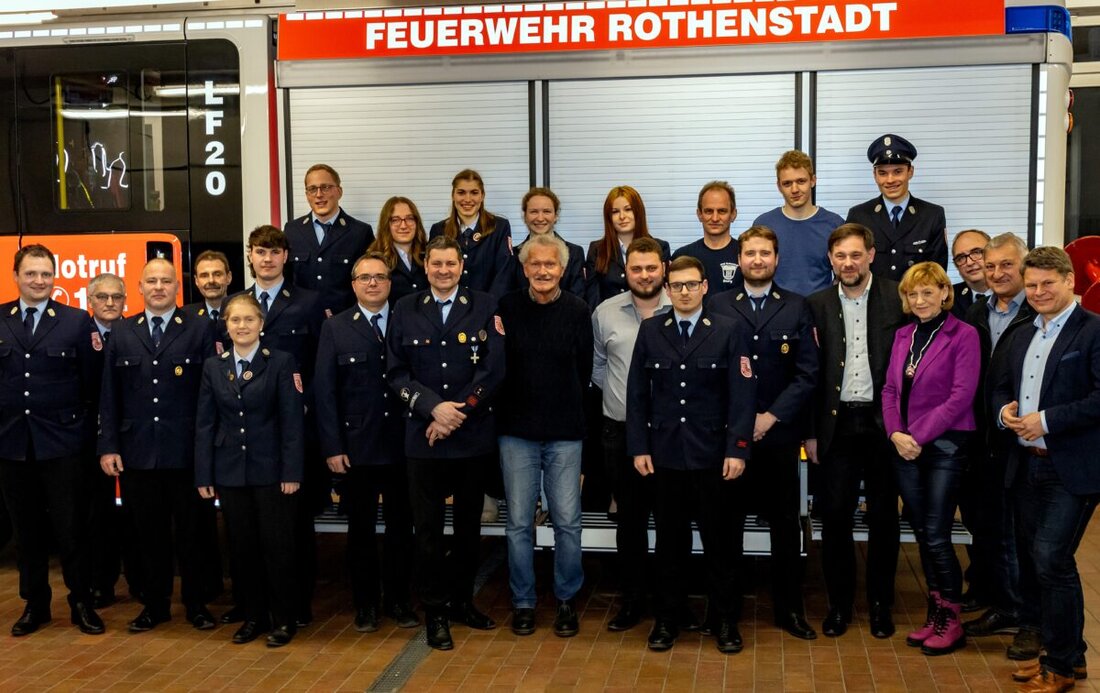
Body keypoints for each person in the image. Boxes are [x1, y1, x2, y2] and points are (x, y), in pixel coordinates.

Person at [626, 255, 755, 654]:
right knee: (669, 544)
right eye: (676, 285)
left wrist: (737, 449)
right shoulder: (651, 330)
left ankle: (725, 621)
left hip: (715, 457)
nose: (683, 291)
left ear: (704, 287)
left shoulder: (729, 330)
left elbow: (742, 395)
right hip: (665, 456)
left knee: (721, 544)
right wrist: (639, 446)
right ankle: (668, 620)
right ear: (667, 289)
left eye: (691, 284)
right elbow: (636, 395)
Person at [386, 235, 506, 651]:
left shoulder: (485, 305)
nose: (443, 271)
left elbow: (493, 371)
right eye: (435, 264)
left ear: (461, 266)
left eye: (450, 264)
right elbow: (396, 373)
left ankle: (462, 603)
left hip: (471, 438)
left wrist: (458, 414)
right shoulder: (405, 309)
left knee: (470, 529)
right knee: (429, 533)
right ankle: (435, 611)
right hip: (424, 440)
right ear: (425, 265)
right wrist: (434, 409)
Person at [993, 246, 1100, 691]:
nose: (1038, 292)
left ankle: (1058, 664)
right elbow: (1000, 386)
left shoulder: (1093, 331)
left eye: (1047, 284)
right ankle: (1068, 657)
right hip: (1025, 465)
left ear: (1070, 281)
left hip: (1070, 467)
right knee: (1043, 563)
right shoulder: (1022, 334)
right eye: (1032, 284)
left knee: (1051, 558)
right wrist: (1005, 413)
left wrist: (1047, 421)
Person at [709, 225, 820, 640]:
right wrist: (740, 422)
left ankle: (789, 611)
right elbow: (709, 371)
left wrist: (770, 417)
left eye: (765, 253)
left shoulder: (797, 307)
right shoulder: (717, 304)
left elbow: (807, 374)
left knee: (785, 528)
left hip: (778, 437)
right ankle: (726, 617)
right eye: (750, 253)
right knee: (726, 530)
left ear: (776, 259)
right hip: (728, 441)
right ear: (739, 260)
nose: (757, 260)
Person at [98, 259, 220, 633]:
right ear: (139, 287)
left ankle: (197, 604)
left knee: (193, 533)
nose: (158, 287)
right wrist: (109, 446)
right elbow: (109, 395)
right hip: (138, 453)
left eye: (166, 281)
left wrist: (209, 449)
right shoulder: (121, 331)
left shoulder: (199, 328)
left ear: (177, 287)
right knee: (147, 535)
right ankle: (155, 605)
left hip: (186, 452)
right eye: (151, 281)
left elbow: (210, 394)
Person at [806, 223, 907, 639]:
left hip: (886, 425)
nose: (848, 263)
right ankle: (840, 605)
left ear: (870, 254)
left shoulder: (897, 297)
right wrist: (811, 432)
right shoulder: (815, 305)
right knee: (835, 518)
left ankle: (882, 605)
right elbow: (808, 375)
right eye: (840, 256)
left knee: (885, 518)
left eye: (855, 255)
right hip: (837, 425)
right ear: (831, 259)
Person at [0, 244, 104, 636]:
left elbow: (93, 385)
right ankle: (36, 604)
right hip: (13, 444)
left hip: (62, 444)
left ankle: (81, 602)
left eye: (46, 274)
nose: (39, 281)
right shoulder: (1, 319)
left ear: (54, 277)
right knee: (25, 531)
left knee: (71, 527)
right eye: (31, 274)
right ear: (16, 276)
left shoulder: (77, 321)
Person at [313, 252, 418, 633]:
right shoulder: (336, 328)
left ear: (390, 283)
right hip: (356, 448)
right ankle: (366, 605)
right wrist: (332, 446)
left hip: (404, 444)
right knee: (360, 532)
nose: (372, 283)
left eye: (379, 277)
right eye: (364, 278)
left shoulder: (409, 321)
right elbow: (324, 392)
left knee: (400, 529)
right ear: (353, 284)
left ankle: (400, 601)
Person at [195, 293, 305, 647]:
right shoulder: (215, 366)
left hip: (272, 472)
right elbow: (205, 424)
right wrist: (204, 475)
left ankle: (284, 619)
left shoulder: (281, 362)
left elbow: (292, 423)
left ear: (261, 324)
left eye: (248, 320)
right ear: (225, 326)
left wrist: (292, 471)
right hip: (230, 473)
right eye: (234, 320)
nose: (241, 326)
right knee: (242, 549)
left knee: (279, 548)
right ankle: (254, 617)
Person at [881, 262, 980, 656]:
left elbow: (961, 396)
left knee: (938, 535)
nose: (920, 300)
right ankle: (936, 612)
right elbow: (890, 389)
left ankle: (951, 620)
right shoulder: (904, 334)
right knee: (923, 532)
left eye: (928, 292)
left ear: (944, 292)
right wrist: (895, 435)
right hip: (905, 447)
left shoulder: (964, 335)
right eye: (912, 294)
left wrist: (915, 436)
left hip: (945, 447)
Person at [496, 233, 592, 638]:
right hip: (516, 432)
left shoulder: (578, 309)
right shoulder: (506, 308)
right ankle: (523, 601)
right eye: (534, 264)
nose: (542, 271)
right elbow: (497, 368)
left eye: (550, 264)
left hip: (565, 433)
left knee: (568, 521)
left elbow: (584, 370)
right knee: (519, 523)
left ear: (563, 268)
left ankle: (567, 598)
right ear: (524, 268)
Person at [234, 225, 323, 629]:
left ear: (286, 256)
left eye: (273, 252)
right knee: (249, 532)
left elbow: (320, 368)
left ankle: (296, 604)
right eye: (259, 252)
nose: (266, 259)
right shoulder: (239, 305)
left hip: (292, 431)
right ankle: (253, 608)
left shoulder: (308, 302)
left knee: (294, 525)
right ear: (250, 256)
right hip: (246, 435)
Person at [961, 233, 1044, 662]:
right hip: (985, 436)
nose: (996, 273)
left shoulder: (1040, 312)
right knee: (992, 528)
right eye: (989, 266)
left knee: (1027, 536)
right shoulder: (975, 312)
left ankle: (1032, 620)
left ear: (1024, 264)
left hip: (1030, 440)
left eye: (1005, 265)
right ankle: (1005, 605)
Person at [591, 237, 673, 632]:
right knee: (631, 522)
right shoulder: (605, 312)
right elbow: (598, 368)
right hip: (620, 433)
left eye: (651, 267)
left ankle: (669, 603)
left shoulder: (685, 307)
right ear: (626, 271)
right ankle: (632, 601)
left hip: (672, 435)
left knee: (672, 520)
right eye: (636, 268)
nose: (644, 275)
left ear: (664, 268)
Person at [85, 273, 131, 608]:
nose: (110, 303)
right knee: (97, 515)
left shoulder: (136, 332)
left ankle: (142, 581)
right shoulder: (77, 334)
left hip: (133, 438)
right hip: (89, 440)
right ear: (90, 302)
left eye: (116, 296)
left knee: (136, 516)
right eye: (102, 297)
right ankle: (101, 582)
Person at [846, 134, 948, 282]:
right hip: (873, 303)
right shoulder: (859, 216)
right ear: (874, 175)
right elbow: (852, 267)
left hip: (915, 302)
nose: (890, 180)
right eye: (882, 173)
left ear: (910, 172)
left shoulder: (932, 215)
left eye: (898, 171)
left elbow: (937, 272)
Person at [284, 163, 375, 315]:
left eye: (325, 187)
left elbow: (369, 281)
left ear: (339, 192)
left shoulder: (360, 232)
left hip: (345, 322)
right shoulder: (292, 230)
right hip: (302, 322)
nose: (319, 194)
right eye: (312, 189)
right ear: (307, 195)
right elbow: (285, 279)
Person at [753, 150, 845, 297]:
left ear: (813, 180)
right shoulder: (764, 224)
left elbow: (843, 273)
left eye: (801, 181)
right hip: (775, 311)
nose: (794, 189)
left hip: (819, 312)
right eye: (787, 183)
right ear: (779, 186)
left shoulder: (834, 224)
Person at [428, 168, 514, 299]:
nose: (467, 199)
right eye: (461, 193)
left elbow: (504, 274)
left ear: (482, 195)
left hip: (488, 307)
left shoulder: (499, 227)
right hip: (451, 309)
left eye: (474, 193)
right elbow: (436, 274)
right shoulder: (439, 230)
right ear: (453, 195)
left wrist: (487, 307)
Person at [585, 186, 672, 310]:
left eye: (628, 209)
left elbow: (666, 292)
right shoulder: (597, 250)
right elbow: (592, 297)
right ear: (608, 217)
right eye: (615, 212)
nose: (622, 216)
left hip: (652, 319)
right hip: (610, 321)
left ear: (638, 212)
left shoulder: (660, 247)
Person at [509, 187, 586, 297]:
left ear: (556, 216)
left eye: (547, 211)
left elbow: (578, 295)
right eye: (534, 212)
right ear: (525, 216)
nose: (540, 218)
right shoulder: (513, 255)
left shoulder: (574, 253)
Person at [672, 181, 741, 296]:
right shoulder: (682, 256)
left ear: (733, 214)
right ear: (699, 214)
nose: (715, 218)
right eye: (709, 211)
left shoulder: (745, 255)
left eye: (722, 211)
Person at [369, 196, 429, 306]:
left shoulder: (429, 254)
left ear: (417, 222)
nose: (403, 226)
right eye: (395, 220)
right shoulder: (374, 260)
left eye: (409, 218)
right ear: (386, 224)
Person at [951, 230, 992, 319]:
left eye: (976, 252)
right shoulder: (948, 299)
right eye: (961, 258)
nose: (969, 263)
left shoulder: (1012, 293)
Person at [183, 250, 233, 322]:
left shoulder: (244, 312)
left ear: (229, 278)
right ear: (196, 281)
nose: (211, 280)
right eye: (204, 276)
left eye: (217, 274)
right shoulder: (185, 316)